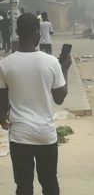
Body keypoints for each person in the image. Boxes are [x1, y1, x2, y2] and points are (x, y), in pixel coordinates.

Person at [0, 13, 71, 195]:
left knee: (23, 186)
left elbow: (2, 97)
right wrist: (65, 69)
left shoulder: (5, 64)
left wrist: (2, 119)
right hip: (46, 134)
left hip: (20, 135)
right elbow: (60, 98)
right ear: (38, 33)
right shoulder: (52, 62)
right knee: (49, 183)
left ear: (17, 33)